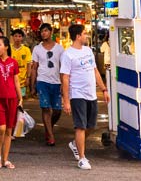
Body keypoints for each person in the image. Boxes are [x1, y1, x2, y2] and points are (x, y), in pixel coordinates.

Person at [60, 23, 107, 170]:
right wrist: (66, 100)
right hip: (77, 94)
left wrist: (104, 89)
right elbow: (65, 78)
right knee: (80, 126)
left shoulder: (88, 51)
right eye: (84, 34)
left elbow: (95, 71)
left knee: (91, 126)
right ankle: (82, 158)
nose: (86, 36)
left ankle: (75, 144)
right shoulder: (68, 55)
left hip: (91, 94)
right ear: (78, 36)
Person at [0, 35, 22, 169]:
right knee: (1, 127)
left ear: (6, 47)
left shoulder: (13, 62)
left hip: (12, 98)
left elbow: (16, 81)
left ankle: (5, 159)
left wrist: (20, 98)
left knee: (9, 130)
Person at [29, 23, 64, 146]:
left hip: (56, 82)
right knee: (45, 108)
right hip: (42, 81)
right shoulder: (37, 49)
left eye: (45, 31)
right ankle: (50, 136)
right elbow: (34, 68)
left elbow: (63, 67)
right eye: (42, 31)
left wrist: (64, 84)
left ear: (51, 32)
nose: (43, 33)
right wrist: (32, 85)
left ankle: (49, 127)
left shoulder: (59, 48)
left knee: (57, 110)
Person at [9, 29, 32, 96]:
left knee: (20, 101)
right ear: (12, 37)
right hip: (10, 80)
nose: (17, 38)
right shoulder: (8, 49)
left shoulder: (26, 50)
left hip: (22, 81)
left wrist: (28, 77)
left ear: (22, 38)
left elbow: (29, 64)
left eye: (19, 36)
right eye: (15, 36)